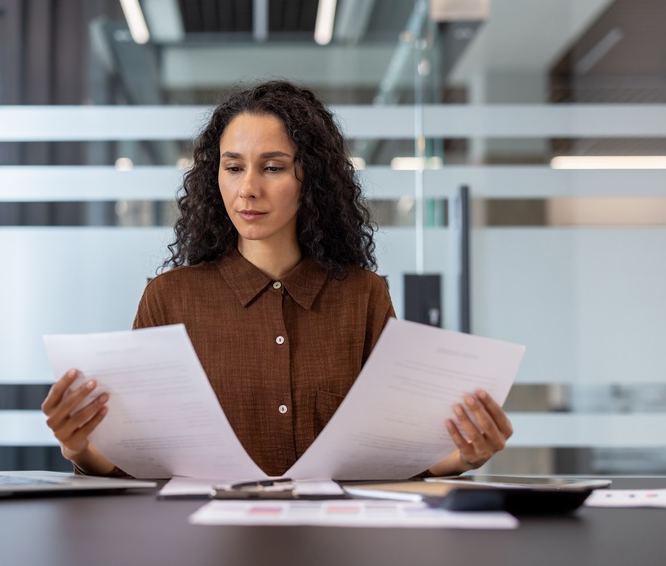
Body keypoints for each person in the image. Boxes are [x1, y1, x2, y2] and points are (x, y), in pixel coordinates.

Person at [42, 80, 512, 478]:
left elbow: (390, 462)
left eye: (272, 167)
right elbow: (137, 466)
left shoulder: (363, 296)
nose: (248, 188)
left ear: (311, 179)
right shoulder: (169, 298)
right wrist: (79, 447)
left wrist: (460, 456)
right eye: (233, 167)